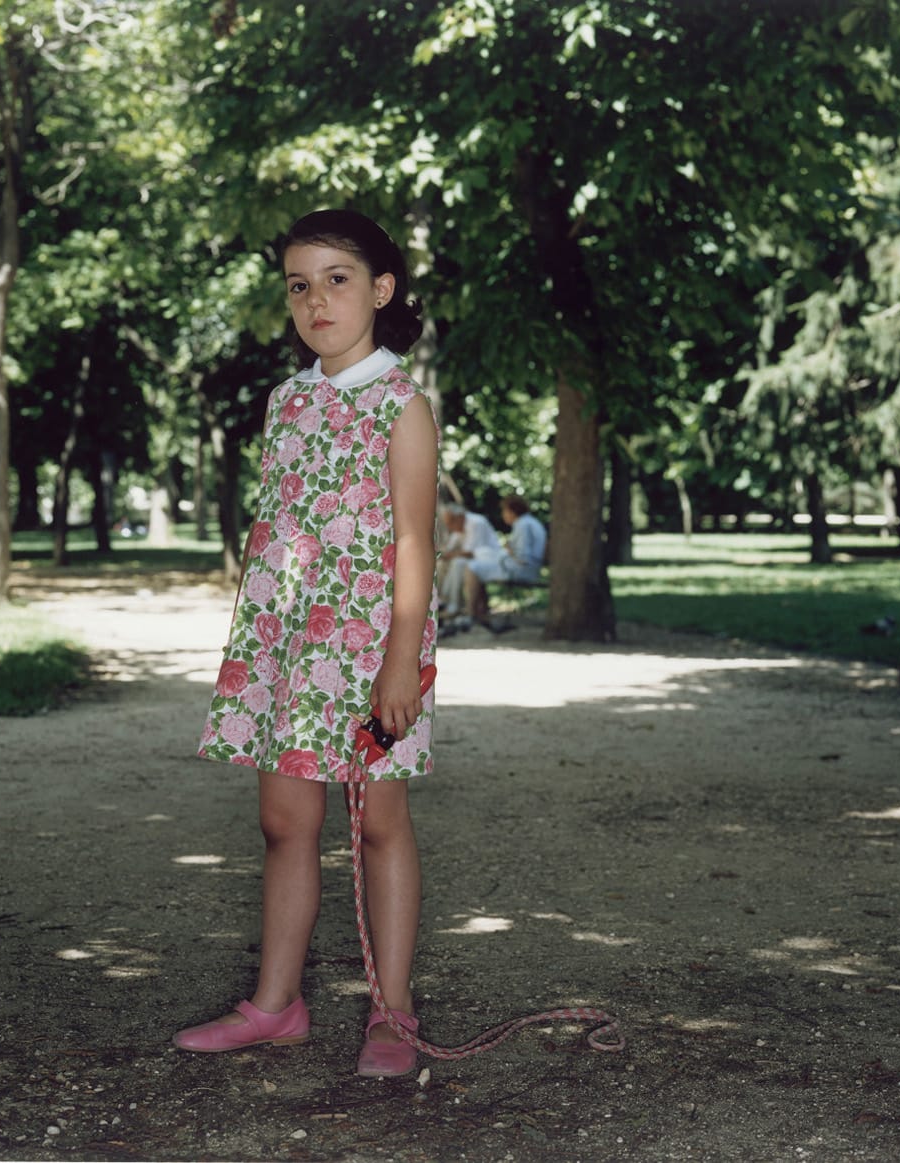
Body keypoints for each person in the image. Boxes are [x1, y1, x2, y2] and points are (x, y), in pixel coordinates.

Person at [182, 209, 439, 1079]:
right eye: (299, 284)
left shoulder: (402, 405)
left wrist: (401, 658)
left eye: (337, 278)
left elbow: (413, 541)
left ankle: (392, 1013)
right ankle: (276, 1005)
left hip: (371, 645)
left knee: (380, 823)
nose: (317, 299)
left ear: (381, 290)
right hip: (289, 639)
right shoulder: (285, 401)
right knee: (285, 819)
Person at [466, 495, 547, 628]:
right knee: (478, 563)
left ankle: (472, 613)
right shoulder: (530, 522)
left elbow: (523, 558)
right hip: (529, 569)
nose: (503, 515)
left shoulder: (522, 525)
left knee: (473, 567)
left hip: (521, 571)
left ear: (512, 511)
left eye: (504, 511)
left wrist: (509, 550)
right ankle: (480, 612)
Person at [436, 502, 499, 621]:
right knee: (441, 564)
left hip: (489, 559)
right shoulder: (458, 525)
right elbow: (449, 549)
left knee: (457, 563)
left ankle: (453, 606)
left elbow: (471, 553)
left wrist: (447, 554)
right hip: (473, 559)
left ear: (459, 517)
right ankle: (441, 600)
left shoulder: (476, 523)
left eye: (451, 523)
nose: (449, 527)